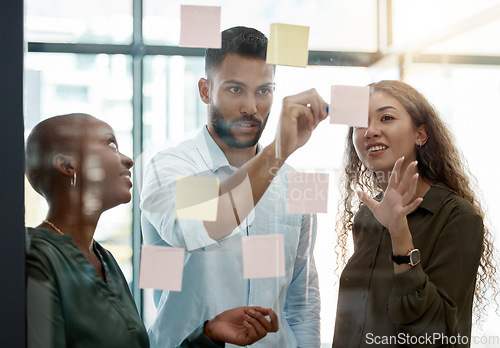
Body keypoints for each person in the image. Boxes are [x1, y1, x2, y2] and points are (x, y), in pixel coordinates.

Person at [141, 26, 328, 347]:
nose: (251, 107)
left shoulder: (298, 180)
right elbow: (197, 226)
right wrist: (278, 152)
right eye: (234, 90)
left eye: (264, 91)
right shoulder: (172, 167)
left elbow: (303, 298)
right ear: (205, 90)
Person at [25, 113, 279, 348]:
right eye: (110, 145)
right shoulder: (34, 257)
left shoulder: (105, 260)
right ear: (68, 165)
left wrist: (209, 334)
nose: (128, 159)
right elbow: (195, 225)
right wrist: (279, 151)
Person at [333, 80, 498, 347]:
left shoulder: (457, 217)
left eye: (386, 118)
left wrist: (400, 235)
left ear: (420, 134)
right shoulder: (366, 216)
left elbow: (438, 334)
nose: (370, 131)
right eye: (360, 123)